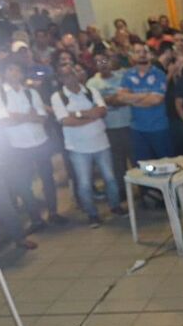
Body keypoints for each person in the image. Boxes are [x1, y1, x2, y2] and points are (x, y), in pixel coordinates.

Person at [0, 61, 64, 229]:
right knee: (24, 184)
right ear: (3, 73)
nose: (15, 72)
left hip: (40, 141)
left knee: (48, 180)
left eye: (17, 69)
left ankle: (53, 213)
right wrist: (29, 117)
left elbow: (43, 118)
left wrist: (18, 117)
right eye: (10, 69)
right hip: (17, 146)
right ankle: (35, 218)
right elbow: (4, 120)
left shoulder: (30, 93)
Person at [49, 64, 126, 227]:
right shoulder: (58, 97)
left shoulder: (91, 91)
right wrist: (89, 115)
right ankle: (92, 214)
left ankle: (115, 206)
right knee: (84, 184)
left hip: (101, 143)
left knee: (110, 179)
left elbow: (102, 111)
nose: (70, 77)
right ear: (61, 79)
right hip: (78, 148)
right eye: (66, 75)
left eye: (72, 73)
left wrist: (77, 115)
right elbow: (66, 121)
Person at [87, 52, 134, 200]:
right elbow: (96, 106)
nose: (103, 64)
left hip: (129, 125)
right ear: (95, 66)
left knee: (136, 160)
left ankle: (147, 190)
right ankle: (122, 192)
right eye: (98, 62)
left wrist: (105, 100)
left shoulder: (123, 77)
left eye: (105, 60)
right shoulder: (91, 84)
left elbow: (128, 98)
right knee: (117, 164)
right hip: (109, 129)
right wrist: (115, 98)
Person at [118, 42, 173, 162]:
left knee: (167, 164)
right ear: (132, 55)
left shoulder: (159, 74)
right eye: (138, 52)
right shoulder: (127, 75)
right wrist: (145, 95)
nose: (142, 54)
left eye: (145, 51)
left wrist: (132, 98)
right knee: (144, 167)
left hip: (159, 128)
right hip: (137, 129)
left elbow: (156, 99)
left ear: (151, 55)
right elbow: (121, 97)